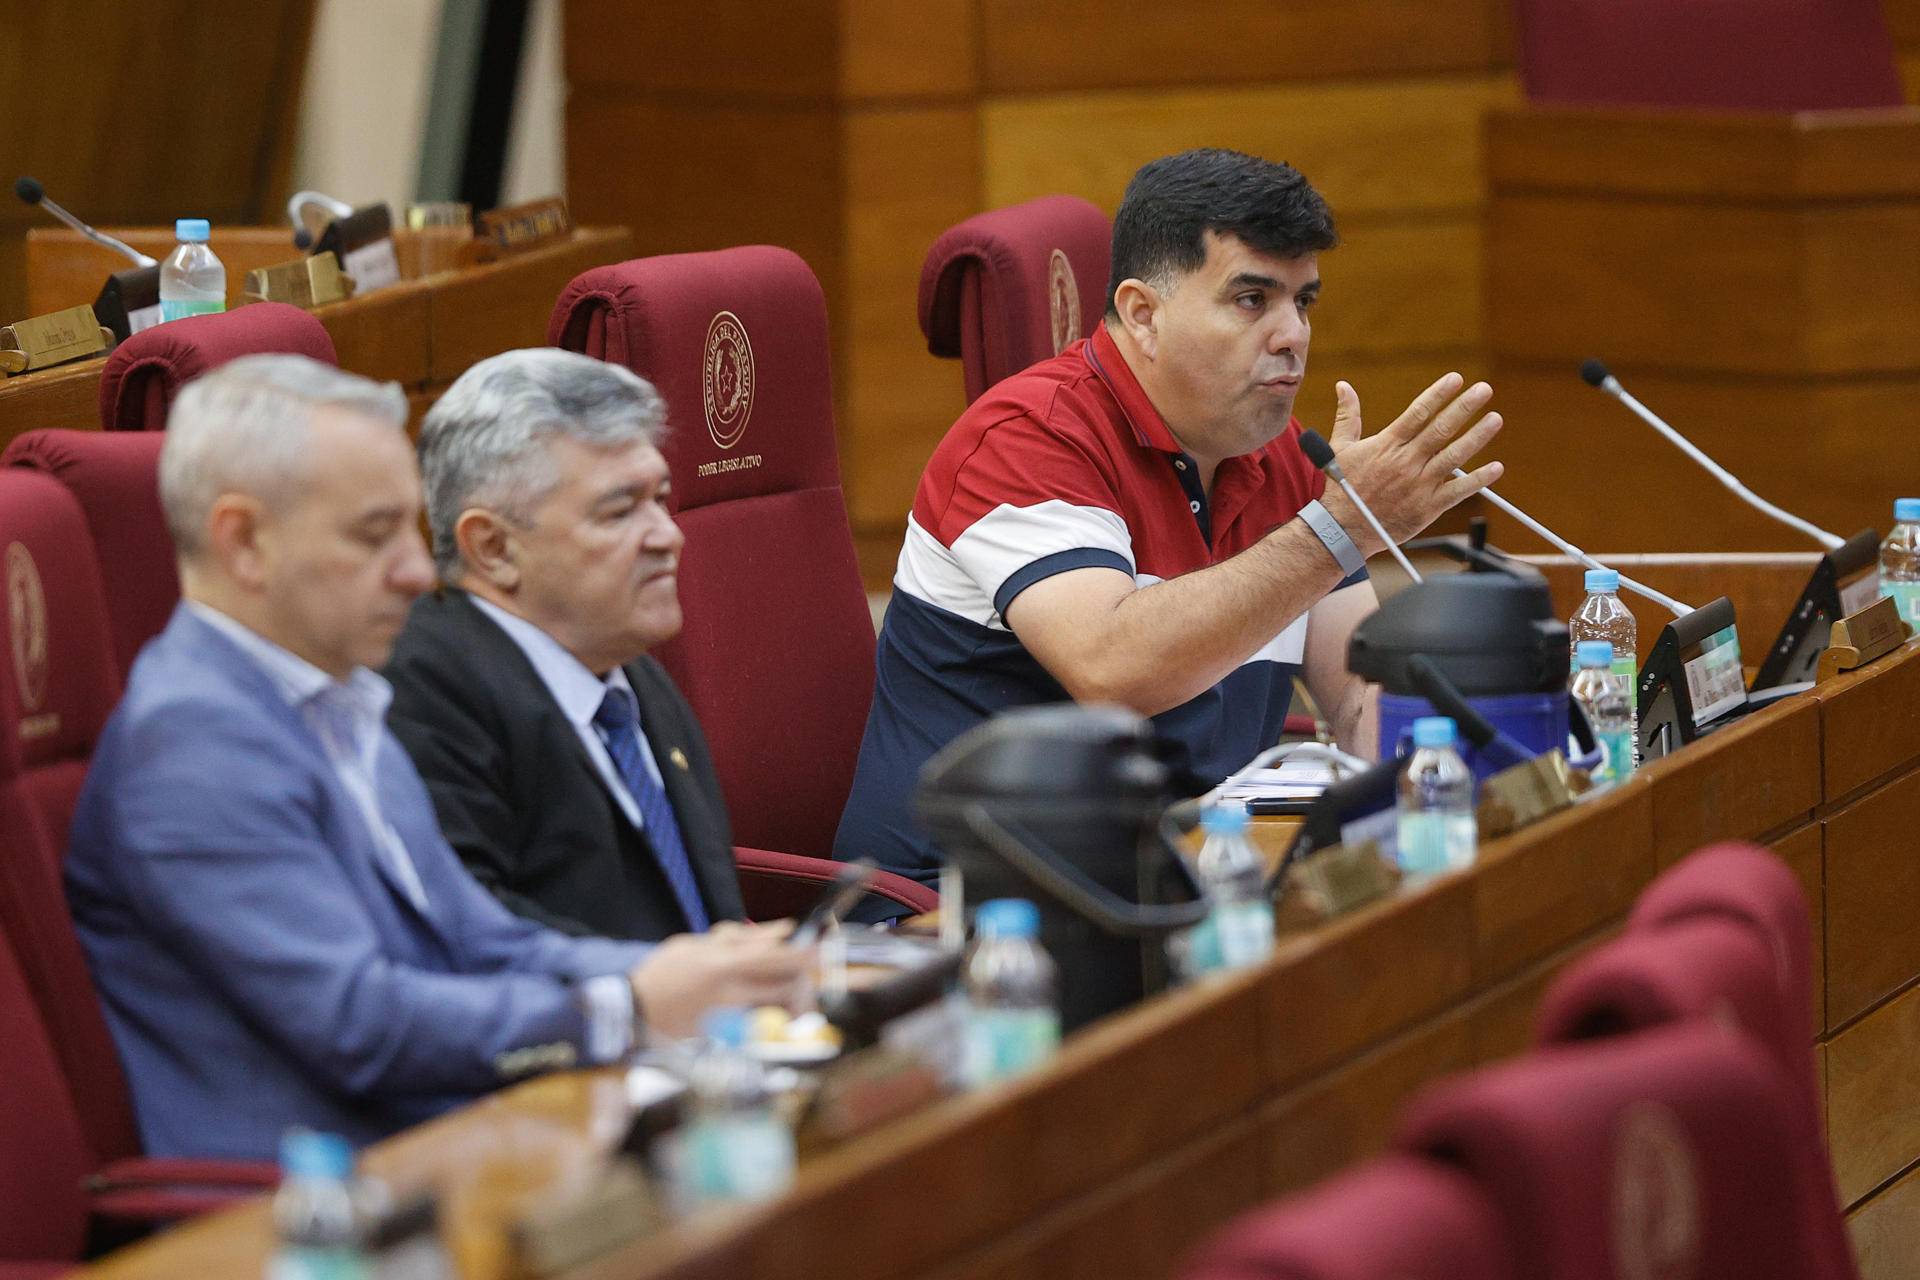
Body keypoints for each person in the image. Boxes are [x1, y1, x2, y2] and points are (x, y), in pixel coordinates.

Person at [64, 355, 810, 1161]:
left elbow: (483, 940)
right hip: (310, 1216)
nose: (420, 571)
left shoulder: (340, 704)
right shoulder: (194, 741)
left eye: (410, 529)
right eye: (373, 533)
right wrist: (623, 1006)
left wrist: (692, 968)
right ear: (244, 542)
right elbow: (358, 1023)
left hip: (448, 1153)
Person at [835, 148, 1505, 885]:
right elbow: (1112, 669)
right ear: (1143, 315)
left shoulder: (1279, 451)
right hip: (968, 910)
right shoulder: (1025, 441)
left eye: (1302, 301)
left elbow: (1353, 699)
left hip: (1183, 876)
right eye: (1253, 300)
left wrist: (1461, 778)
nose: (1292, 336)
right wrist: (1342, 529)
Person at [384, 348, 741, 941]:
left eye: (659, 499)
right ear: (494, 548)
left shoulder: (626, 672)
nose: (668, 535)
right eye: (620, 511)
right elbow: (464, 937)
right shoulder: (421, 689)